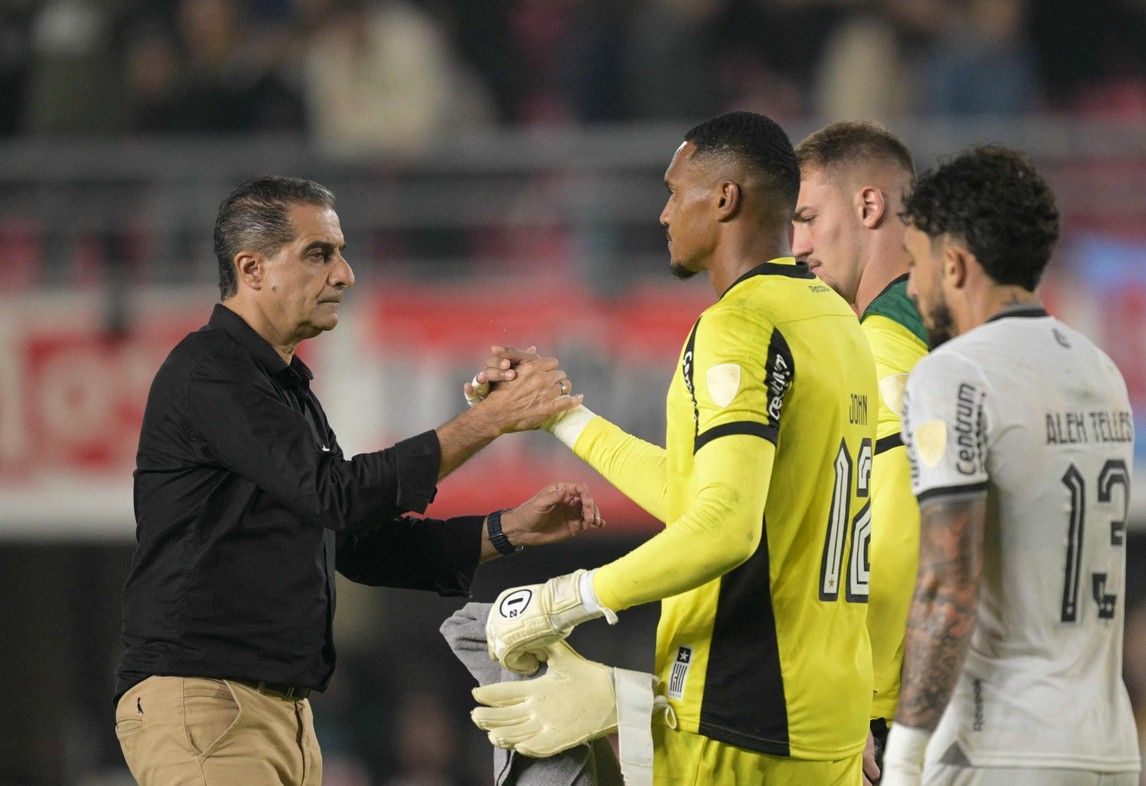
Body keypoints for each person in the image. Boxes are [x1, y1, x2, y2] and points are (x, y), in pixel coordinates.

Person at [114, 175, 603, 786]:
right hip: (207, 702)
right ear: (252, 268)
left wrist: (505, 530)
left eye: (340, 253)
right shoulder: (210, 371)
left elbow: (358, 545)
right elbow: (339, 495)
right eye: (319, 254)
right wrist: (490, 421)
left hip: (276, 714)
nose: (345, 274)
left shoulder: (285, 389)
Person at [471, 112, 879, 784]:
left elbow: (722, 528)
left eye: (674, 190)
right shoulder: (835, 320)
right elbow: (705, 496)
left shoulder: (739, 324)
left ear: (724, 198)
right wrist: (562, 419)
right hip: (826, 712)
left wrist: (562, 600)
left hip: (740, 713)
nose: (663, 213)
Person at [880, 147, 1141, 786]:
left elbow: (948, 584)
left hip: (1001, 748)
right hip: (1108, 746)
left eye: (914, 263)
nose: (911, 287)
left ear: (956, 264)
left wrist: (906, 752)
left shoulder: (953, 374)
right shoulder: (1099, 370)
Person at [791, 121, 928, 770]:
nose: (797, 245)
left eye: (809, 217)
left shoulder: (879, 351)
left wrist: (870, 708)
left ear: (869, 206)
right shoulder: (957, 318)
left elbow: (895, 543)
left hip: (905, 723)